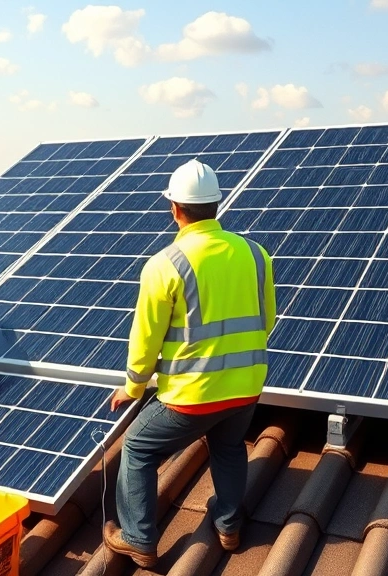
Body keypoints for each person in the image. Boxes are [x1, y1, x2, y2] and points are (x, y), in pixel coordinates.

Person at [103, 159, 276, 568]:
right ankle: (229, 526)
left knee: (138, 449)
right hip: (247, 386)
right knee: (230, 447)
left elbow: (145, 340)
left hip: (192, 397)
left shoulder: (165, 264)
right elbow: (267, 319)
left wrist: (131, 387)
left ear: (175, 209)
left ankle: (138, 539)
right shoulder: (255, 253)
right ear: (217, 205)